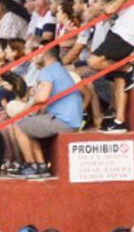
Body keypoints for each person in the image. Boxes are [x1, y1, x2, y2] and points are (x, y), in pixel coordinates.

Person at [86, 0, 134, 133]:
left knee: (93, 61)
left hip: (122, 35)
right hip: (122, 34)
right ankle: (120, 121)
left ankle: (129, 68)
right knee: (119, 79)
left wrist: (107, 7)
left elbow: (110, 9)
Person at [12, 45, 83, 179]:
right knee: (29, 124)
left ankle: (31, 166)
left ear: (46, 54)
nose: (35, 55)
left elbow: (42, 98)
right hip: (70, 120)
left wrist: (27, 107)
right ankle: (41, 166)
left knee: (18, 126)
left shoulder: (48, 70)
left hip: (63, 121)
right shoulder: (58, 69)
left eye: (38, 52)